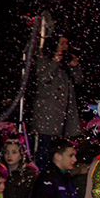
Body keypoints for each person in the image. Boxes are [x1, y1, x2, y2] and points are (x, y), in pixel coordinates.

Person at [32, 35, 83, 167]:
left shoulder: (67, 62)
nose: (65, 46)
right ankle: (43, 172)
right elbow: (43, 78)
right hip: (48, 114)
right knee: (46, 147)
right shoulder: (44, 60)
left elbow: (79, 81)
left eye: (66, 43)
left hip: (64, 113)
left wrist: (75, 66)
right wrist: (54, 62)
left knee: (60, 147)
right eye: (62, 43)